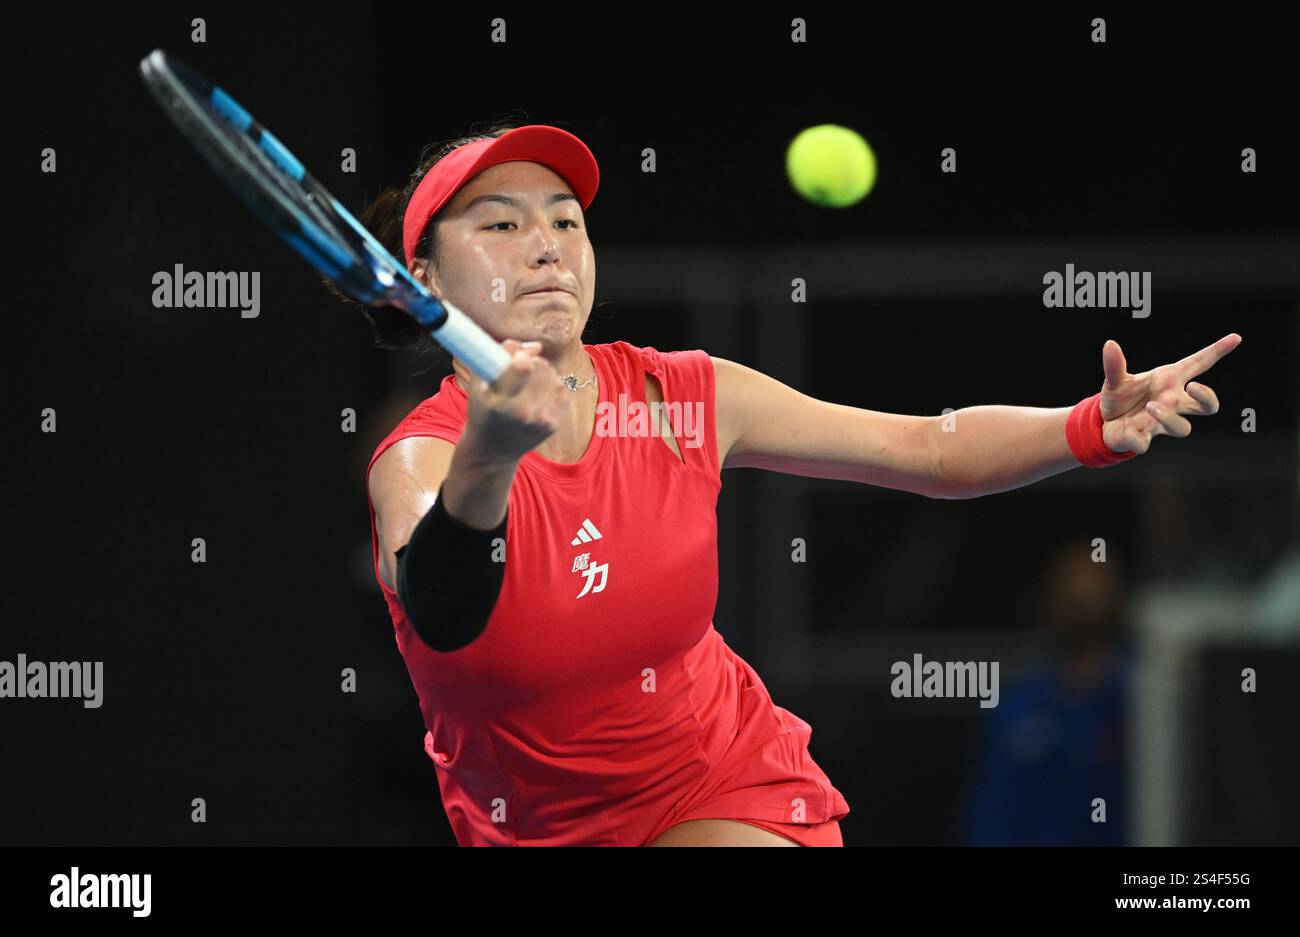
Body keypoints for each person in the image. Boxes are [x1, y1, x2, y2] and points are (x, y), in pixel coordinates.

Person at [355, 121, 1240, 846]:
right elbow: (443, 602)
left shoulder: (682, 395)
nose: (545, 246)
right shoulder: (420, 458)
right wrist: (493, 454)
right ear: (422, 274)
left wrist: (1087, 425)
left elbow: (926, 451)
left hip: (716, 782)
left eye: (565, 219)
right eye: (501, 224)